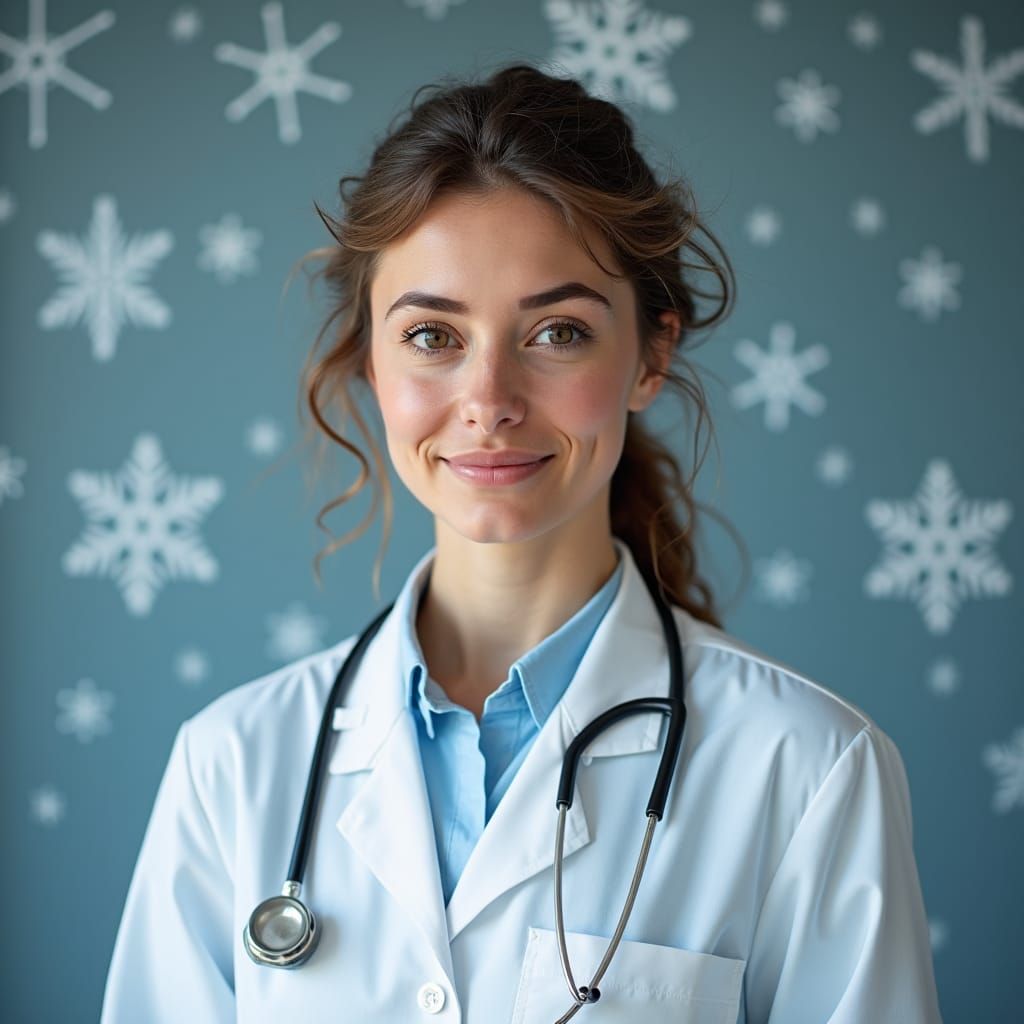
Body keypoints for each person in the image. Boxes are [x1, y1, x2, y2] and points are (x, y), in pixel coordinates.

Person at [100, 64, 942, 1022]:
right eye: (431, 336)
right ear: (369, 361)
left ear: (651, 356)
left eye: (559, 332)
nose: (491, 402)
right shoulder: (231, 766)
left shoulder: (811, 770)